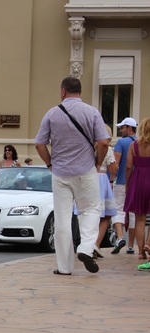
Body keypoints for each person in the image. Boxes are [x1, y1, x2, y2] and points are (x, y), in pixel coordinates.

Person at [35, 76, 110, 275]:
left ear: (63, 91)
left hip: (60, 173)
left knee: (62, 219)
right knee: (90, 211)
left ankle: (64, 267)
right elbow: (103, 142)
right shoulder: (91, 112)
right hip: (86, 171)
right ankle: (86, 248)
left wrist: (50, 162)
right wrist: (98, 162)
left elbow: (39, 144)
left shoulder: (51, 114)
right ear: (80, 91)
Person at [122, 117, 150, 266]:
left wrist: (128, 184)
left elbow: (128, 167)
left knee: (140, 218)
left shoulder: (134, 145)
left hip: (138, 180)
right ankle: (149, 243)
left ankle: (140, 252)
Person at [111, 117, 138, 255]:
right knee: (133, 214)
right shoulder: (141, 143)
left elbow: (116, 163)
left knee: (118, 210)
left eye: (122, 127)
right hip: (137, 183)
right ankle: (131, 246)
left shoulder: (121, 142)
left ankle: (120, 238)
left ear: (129, 128)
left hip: (122, 181)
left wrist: (111, 179)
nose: (120, 130)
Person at [93, 124, 118, 258]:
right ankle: (96, 243)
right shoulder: (107, 149)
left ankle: (88, 243)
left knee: (89, 213)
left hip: (88, 179)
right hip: (102, 180)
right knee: (106, 214)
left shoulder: (88, 147)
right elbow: (113, 169)